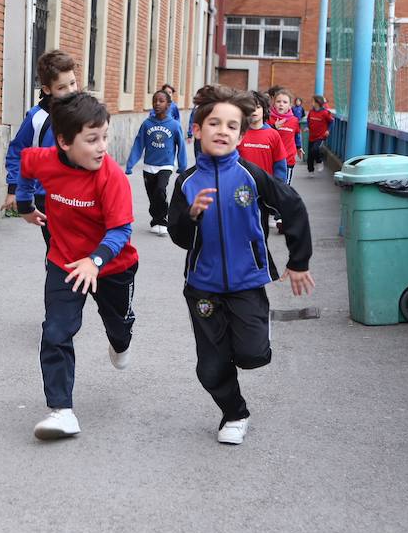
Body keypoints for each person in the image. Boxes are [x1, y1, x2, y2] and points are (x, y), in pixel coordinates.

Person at [168, 84, 314, 445]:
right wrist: (192, 215)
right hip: (202, 286)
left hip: (247, 281)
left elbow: (292, 206)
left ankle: (254, 335)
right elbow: (179, 236)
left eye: (231, 126)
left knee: (252, 355)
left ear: (241, 135)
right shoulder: (186, 182)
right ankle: (234, 414)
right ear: (197, 130)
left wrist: (299, 261)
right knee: (210, 366)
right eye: (214, 123)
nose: (222, 131)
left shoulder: (252, 176)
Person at [16, 92, 140, 440]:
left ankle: (121, 340)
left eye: (105, 136)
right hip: (65, 262)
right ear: (64, 142)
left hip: (113, 266)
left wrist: (96, 261)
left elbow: (121, 230)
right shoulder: (46, 159)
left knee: (118, 326)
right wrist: (25, 204)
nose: (102, 147)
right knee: (56, 331)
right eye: (92, 139)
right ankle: (62, 411)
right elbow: (25, 164)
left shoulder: (111, 177)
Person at [2, 50, 79, 250]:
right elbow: (17, 152)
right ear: (47, 89)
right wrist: (13, 189)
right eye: (62, 87)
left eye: (73, 83)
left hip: (80, 193)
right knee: (56, 246)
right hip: (47, 195)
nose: (70, 90)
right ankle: (55, 275)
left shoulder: (84, 112)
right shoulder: (37, 117)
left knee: (77, 246)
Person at [125, 89, 188, 236]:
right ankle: (156, 220)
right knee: (152, 196)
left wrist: (182, 165)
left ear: (168, 105)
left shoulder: (174, 125)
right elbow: (138, 144)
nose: (157, 103)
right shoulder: (147, 124)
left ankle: (162, 220)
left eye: (161, 101)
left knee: (160, 191)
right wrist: (130, 164)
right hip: (149, 166)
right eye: (155, 101)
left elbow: (181, 145)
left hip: (165, 165)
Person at [237, 91, 287, 183]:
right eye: (250, 107)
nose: (254, 110)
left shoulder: (273, 134)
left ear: (264, 110)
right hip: (241, 186)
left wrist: (278, 187)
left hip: (266, 187)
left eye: (258, 107)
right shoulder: (238, 133)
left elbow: (280, 164)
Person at [268, 88, 303, 184]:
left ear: (289, 105)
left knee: (284, 189)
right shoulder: (268, 119)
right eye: (278, 101)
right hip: (271, 159)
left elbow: (296, 134)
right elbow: (264, 135)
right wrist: (274, 127)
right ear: (274, 103)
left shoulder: (294, 120)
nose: (281, 104)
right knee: (271, 187)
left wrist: (299, 147)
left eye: (285, 102)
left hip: (288, 159)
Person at [306, 95, 334, 174]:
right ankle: (310, 170)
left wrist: (328, 130)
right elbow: (308, 121)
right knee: (310, 155)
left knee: (315, 149)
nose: (312, 103)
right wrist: (308, 127)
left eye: (313, 101)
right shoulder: (311, 112)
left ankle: (319, 161)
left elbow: (332, 121)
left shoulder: (325, 112)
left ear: (317, 102)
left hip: (320, 136)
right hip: (312, 136)